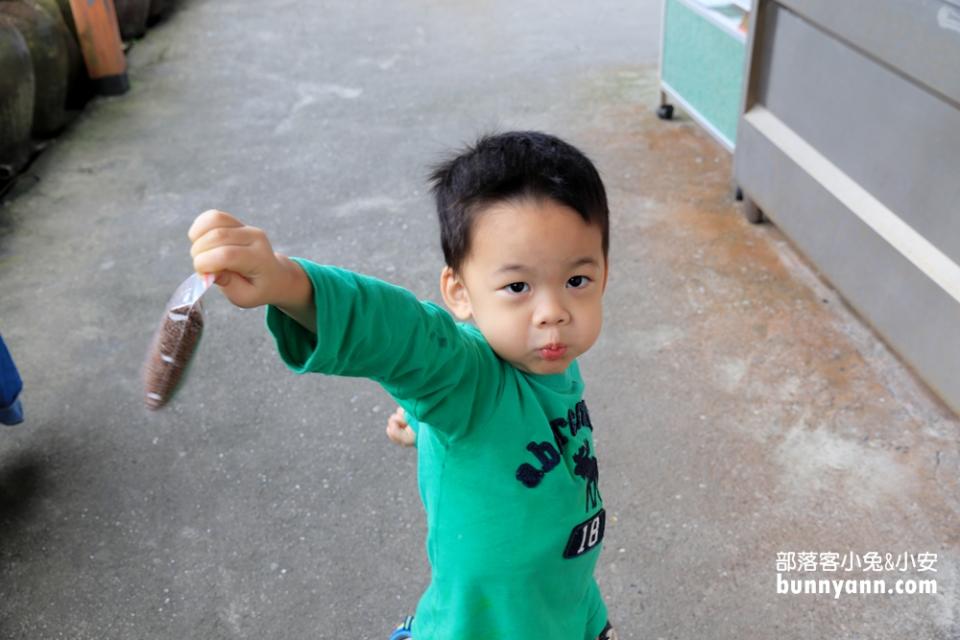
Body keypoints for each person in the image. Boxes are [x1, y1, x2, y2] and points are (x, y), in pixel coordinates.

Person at [188, 131, 617, 639]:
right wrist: (288, 285)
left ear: (604, 272)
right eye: (517, 287)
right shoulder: (471, 381)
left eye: (577, 281)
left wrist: (421, 421)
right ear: (459, 292)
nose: (554, 314)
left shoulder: (549, 359)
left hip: (564, 603)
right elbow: (406, 340)